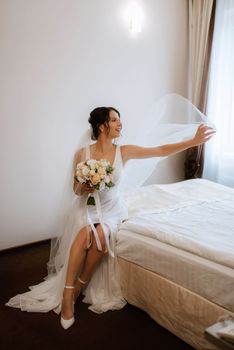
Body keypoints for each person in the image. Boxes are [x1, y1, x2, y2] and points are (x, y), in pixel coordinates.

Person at [6, 105, 215, 330]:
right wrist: (84, 186)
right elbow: (75, 189)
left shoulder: (123, 151)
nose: (120, 124)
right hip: (87, 208)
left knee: (101, 234)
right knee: (86, 232)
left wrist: (193, 142)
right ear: (101, 125)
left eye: (119, 119)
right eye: (114, 120)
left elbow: (160, 150)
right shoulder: (82, 154)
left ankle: (80, 285)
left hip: (113, 209)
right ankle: (68, 294)